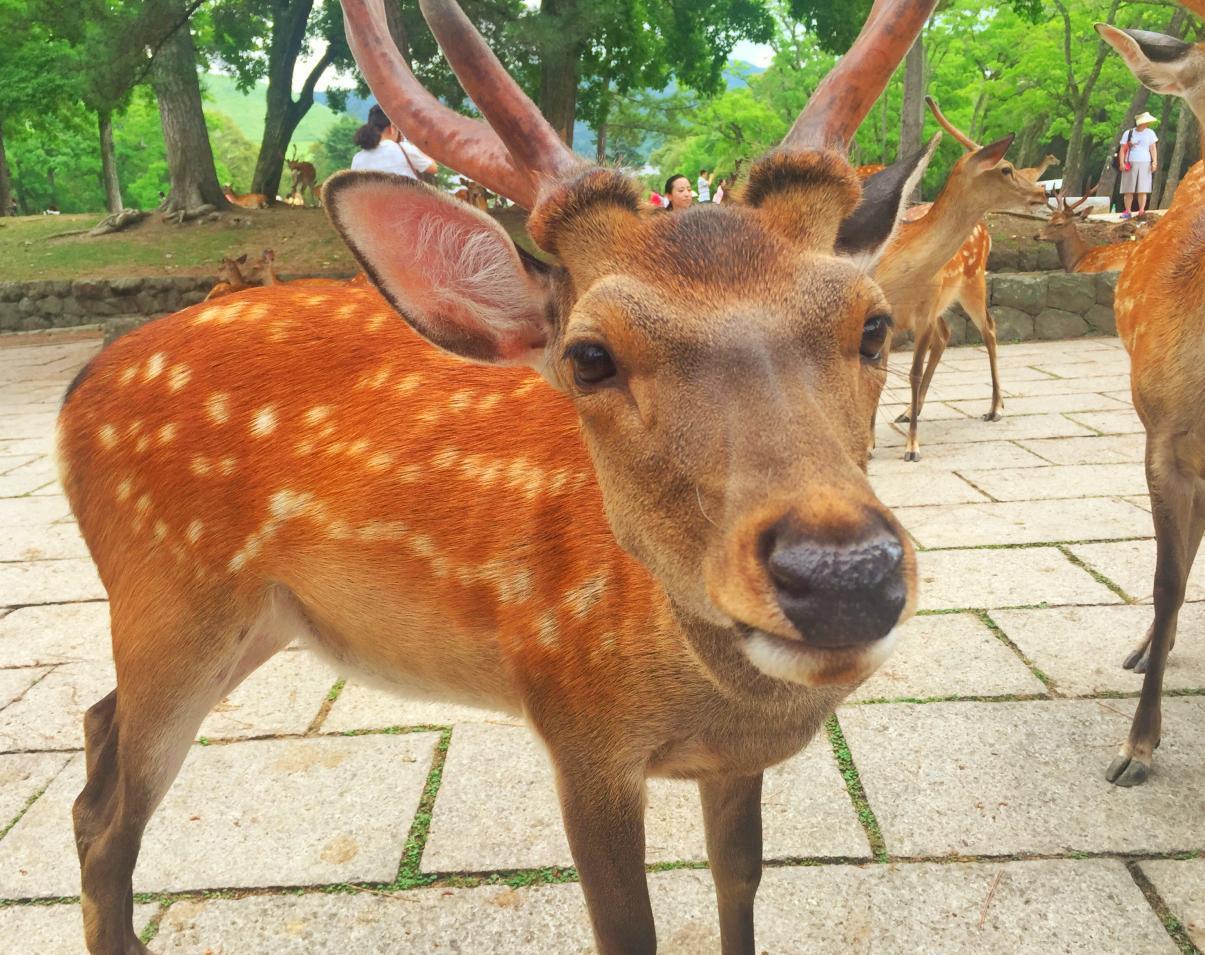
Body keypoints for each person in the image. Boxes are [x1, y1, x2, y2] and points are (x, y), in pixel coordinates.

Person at [351, 104, 438, 180]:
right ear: (392, 128)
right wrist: (419, 143)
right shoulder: (405, 149)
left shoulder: (358, 158)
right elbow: (433, 168)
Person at [1119, 111, 1159, 219]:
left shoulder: (1150, 133)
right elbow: (1123, 149)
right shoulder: (1129, 133)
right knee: (1128, 189)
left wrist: (1154, 161)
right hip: (1130, 161)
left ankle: (1141, 210)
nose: (1147, 124)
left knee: (1143, 188)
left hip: (1145, 162)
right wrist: (1121, 162)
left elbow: (1153, 148)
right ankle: (1128, 210)